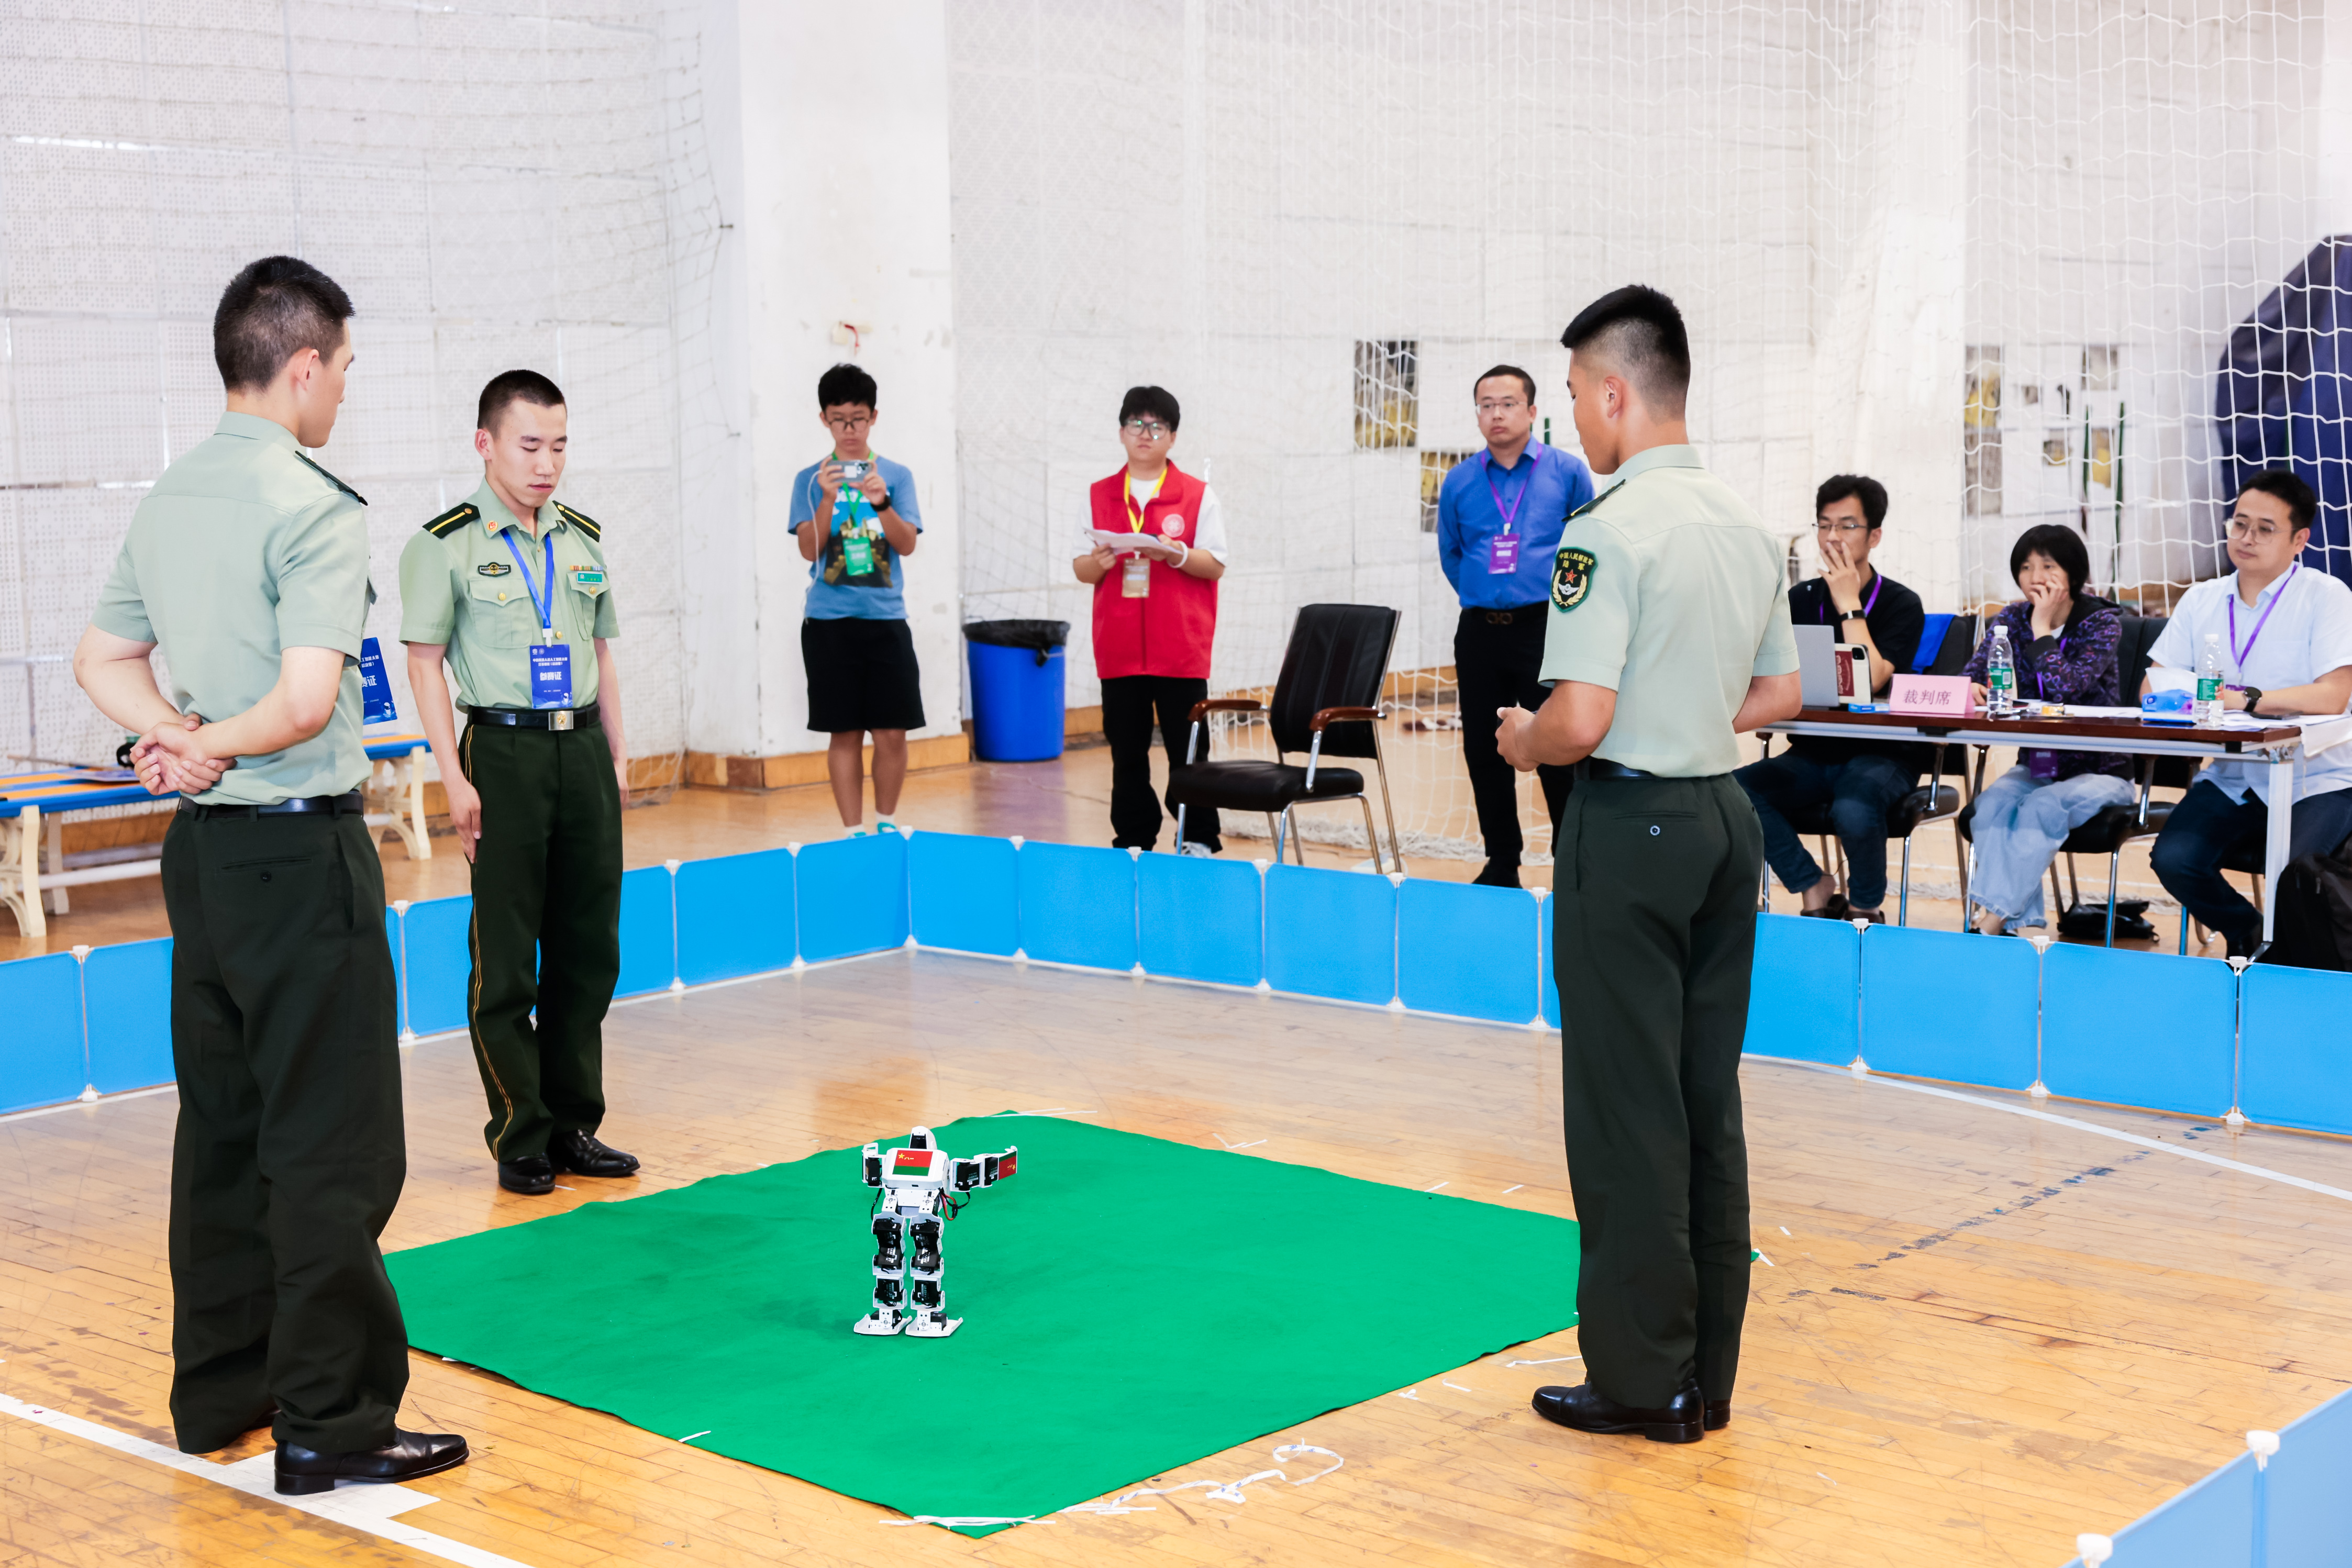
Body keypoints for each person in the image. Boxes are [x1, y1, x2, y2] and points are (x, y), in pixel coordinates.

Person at [71, 257, 465, 1492]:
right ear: (302, 366)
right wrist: (209, 742)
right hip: (298, 853)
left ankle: (223, 1391)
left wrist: (171, 737)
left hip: (205, 859)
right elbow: (302, 702)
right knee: (331, 1143)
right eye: (342, 367)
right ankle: (331, 1421)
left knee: (225, 1128)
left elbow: (101, 658)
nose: (343, 388)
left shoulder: (172, 493)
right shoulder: (312, 502)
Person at [1497, 285, 1800, 1444]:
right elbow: (1780, 692)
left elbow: (1577, 719)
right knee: (1701, 1099)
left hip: (1632, 828)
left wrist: (1522, 739)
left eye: (1575, 395)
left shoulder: (1605, 531)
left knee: (1626, 1108)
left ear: (1615, 392)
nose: (1573, 418)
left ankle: (1640, 1377)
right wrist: (1685, 706)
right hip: (1723, 819)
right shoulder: (1742, 525)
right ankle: (1704, 1374)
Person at [400, 370, 639, 1197]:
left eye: (560, 446)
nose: (547, 464)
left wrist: (616, 757)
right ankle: (520, 1130)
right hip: (501, 751)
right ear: (486, 444)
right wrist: (452, 775)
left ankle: (574, 1124)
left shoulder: (581, 537)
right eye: (530, 445)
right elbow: (424, 664)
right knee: (506, 957)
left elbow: (601, 653)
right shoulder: (444, 544)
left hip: (582, 751)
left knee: (588, 947)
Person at [2148, 470, 2352, 957]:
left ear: (2299, 540)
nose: (2247, 538)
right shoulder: (2202, 599)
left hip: (2317, 777)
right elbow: (2154, 684)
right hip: (2234, 775)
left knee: (2296, 876)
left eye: (2265, 529)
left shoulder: (2327, 596)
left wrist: (2248, 699)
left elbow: (2333, 695)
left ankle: (2290, 966)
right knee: (2174, 858)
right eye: (2239, 524)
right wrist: (2198, 697)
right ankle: (2252, 934)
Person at [1732, 475, 1928, 923]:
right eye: (1824, 525)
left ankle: (1864, 908)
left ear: (1874, 536)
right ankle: (1811, 883)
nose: (1833, 537)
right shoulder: (1800, 598)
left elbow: (1873, 678)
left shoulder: (1901, 603)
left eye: (1847, 525)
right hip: (1813, 751)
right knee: (1736, 791)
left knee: (1854, 806)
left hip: (1884, 754)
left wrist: (1849, 604)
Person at [1436, 365, 1595, 886]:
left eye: (1507, 403)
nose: (1496, 414)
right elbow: (1453, 554)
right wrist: (1487, 591)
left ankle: (1571, 857)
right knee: (1484, 747)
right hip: (1480, 631)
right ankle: (1502, 860)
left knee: (1556, 741)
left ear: (1531, 411)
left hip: (1544, 627)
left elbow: (1586, 546)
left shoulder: (1567, 472)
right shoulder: (1460, 480)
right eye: (1486, 405)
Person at [1072, 385, 1231, 855]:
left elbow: (1215, 564)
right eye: (1136, 424)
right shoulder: (1099, 494)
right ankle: (1133, 838)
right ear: (1122, 432)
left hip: (1180, 646)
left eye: (1157, 426)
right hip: (1120, 646)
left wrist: (1176, 554)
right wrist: (1098, 563)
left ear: (1173, 437)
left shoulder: (1198, 495)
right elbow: (1081, 568)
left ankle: (1198, 837)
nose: (1146, 433)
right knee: (1127, 751)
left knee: (1189, 749)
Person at [1958, 526, 2132, 935]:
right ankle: (2016, 925)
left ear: (2073, 574)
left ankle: (1992, 920)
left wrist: (2041, 628)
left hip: (2103, 771)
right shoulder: (2010, 620)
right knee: (1989, 807)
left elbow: (2066, 688)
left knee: (2041, 808)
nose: (2036, 577)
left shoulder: (2102, 623)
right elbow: (1969, 676)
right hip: (2039, 766)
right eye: (2026, 567)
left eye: (2049, 566)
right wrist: (1973, 688)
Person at [789, 363, 925, 836]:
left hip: (885, 619)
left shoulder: (897, 476)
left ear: (874, 418)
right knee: (843, 731)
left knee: (892, 731)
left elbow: (907, 544)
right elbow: (809, 550)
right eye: (839, 419)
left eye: (859, 419)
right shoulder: (810, 480)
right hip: (828, 623)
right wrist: (827, 500)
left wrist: (882, 502)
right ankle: (853, 833)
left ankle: (886, 825)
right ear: (824, 419)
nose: (850, 430)